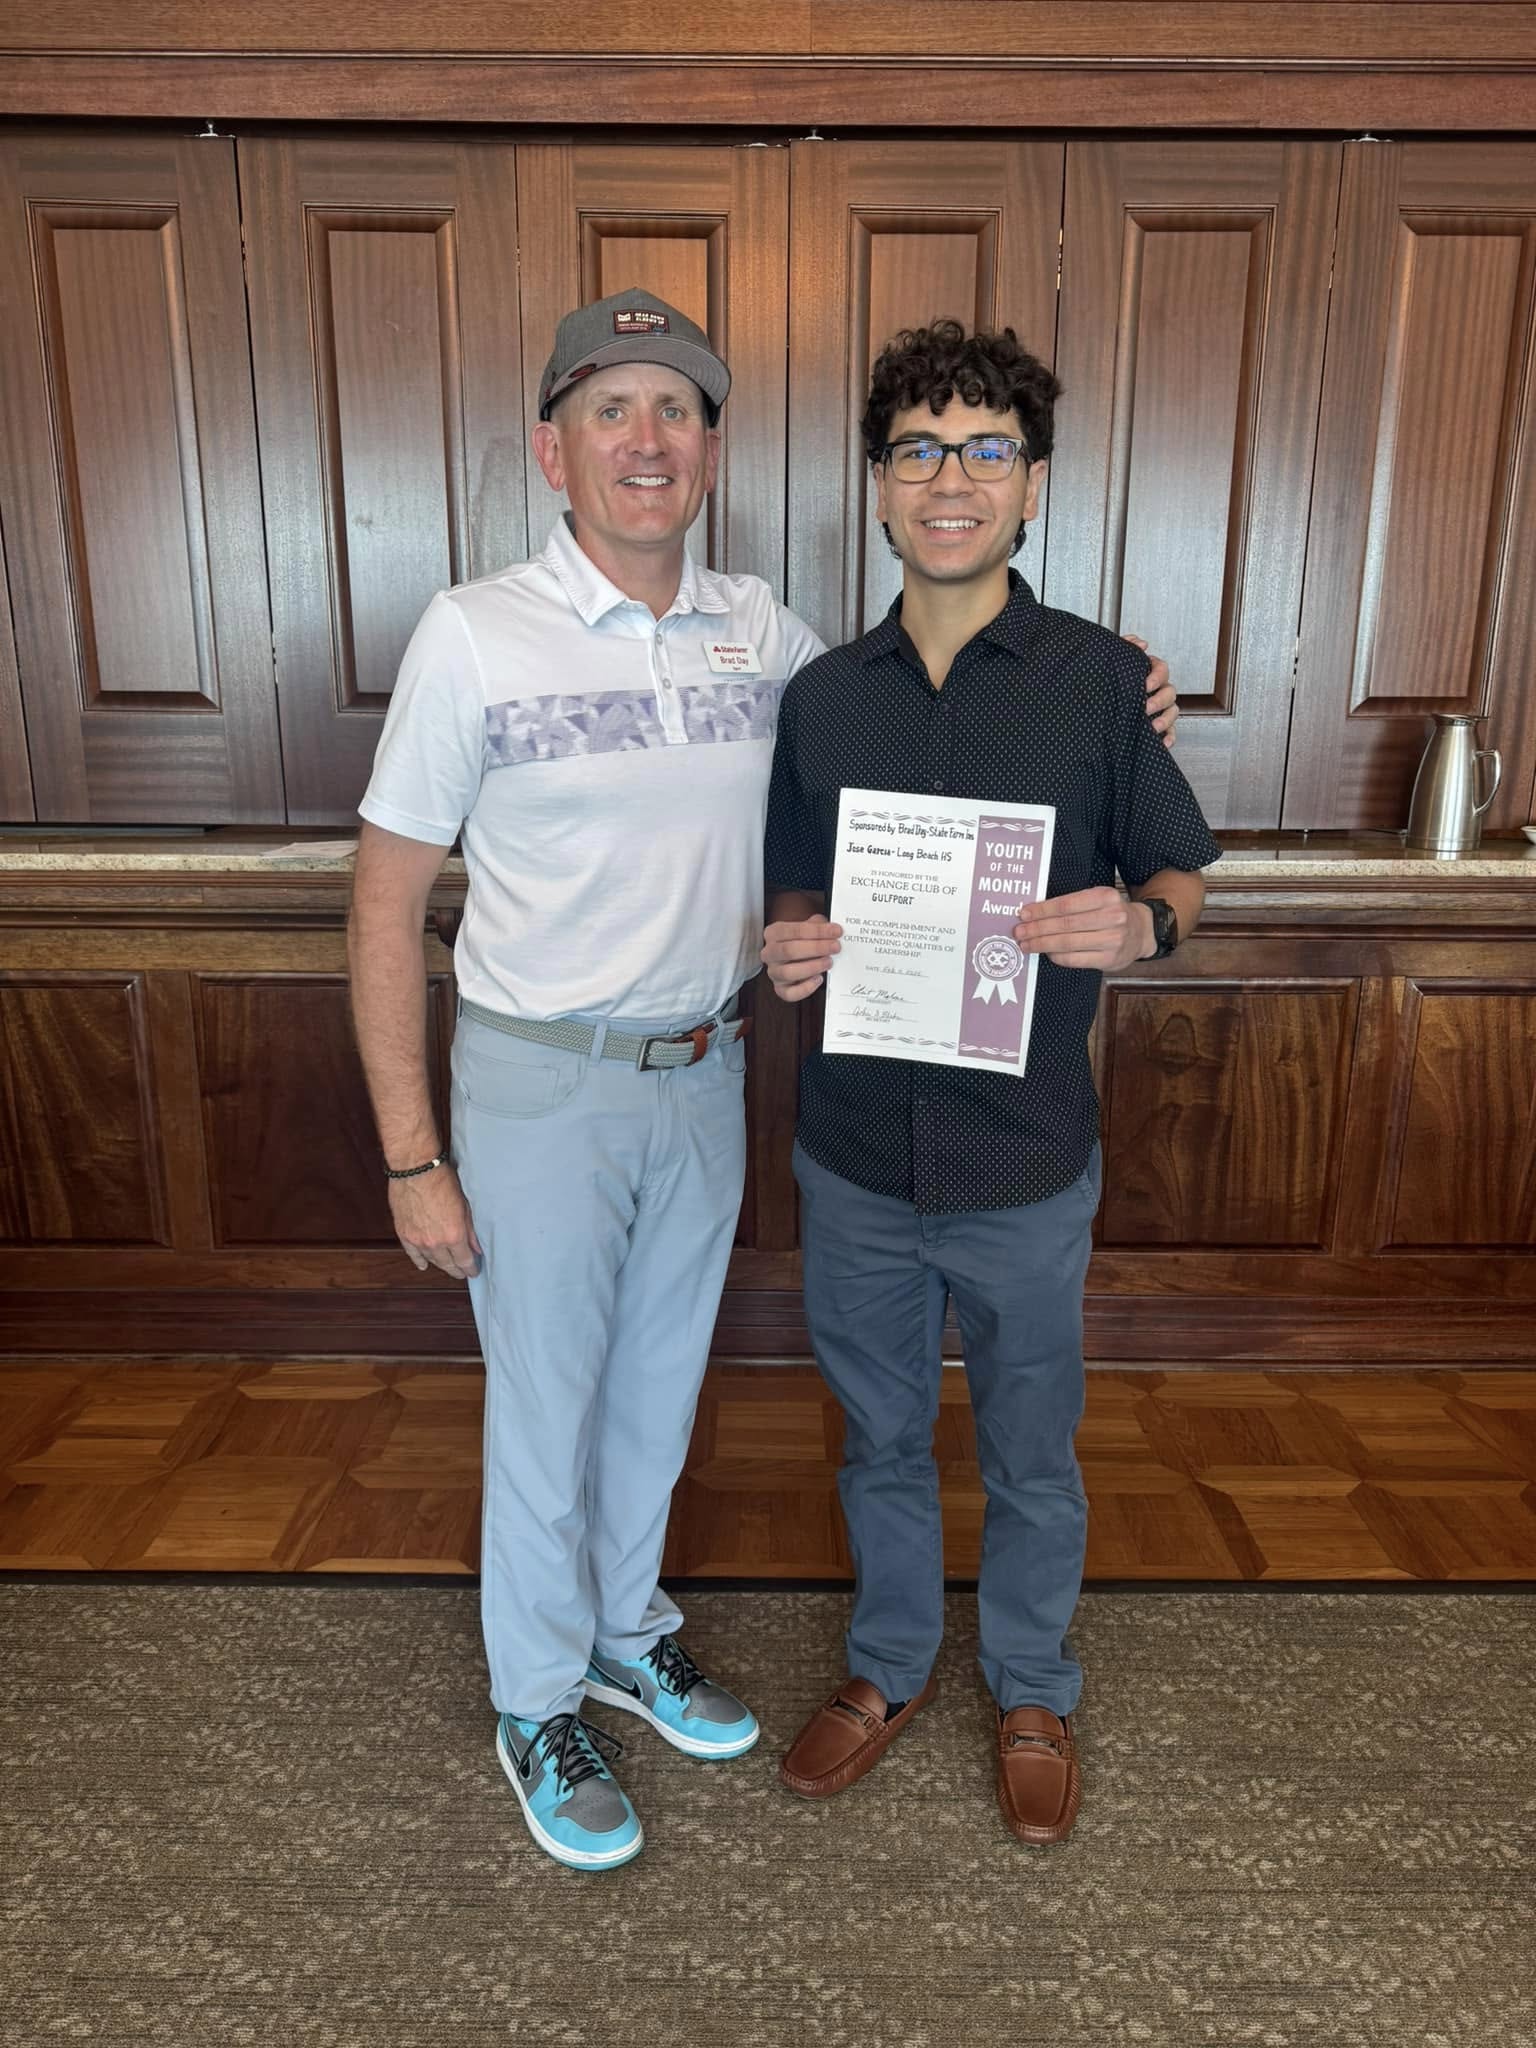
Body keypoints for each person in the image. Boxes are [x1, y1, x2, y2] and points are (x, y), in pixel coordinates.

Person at [348, 290, 1180, 1873]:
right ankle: (536, 1698)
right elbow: (386, 900)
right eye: (612, 411)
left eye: (678, 412)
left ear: (714, 450)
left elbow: (926, 703)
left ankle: (621, 1629)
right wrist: (410, 1153)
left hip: (710, 1069)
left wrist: (1116, 676)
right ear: (553, 449)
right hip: (539, 1081)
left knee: (658, 1396)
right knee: (547, 1410)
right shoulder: (472, 632)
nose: (648, 441)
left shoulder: (769, 639)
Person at [761, 318, 1222, 1847]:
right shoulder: (823, 698)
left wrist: (1144, 922)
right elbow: (787, 898)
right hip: (856, 1151)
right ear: (880, 486)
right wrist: (790, 952)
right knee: (878, 1432)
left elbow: (1183, 870)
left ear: (1030, 487)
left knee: (1032, 1440)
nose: (949, 477)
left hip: (1025, 1152)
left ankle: (1033, 1683)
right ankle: (889, 1665)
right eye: (917, 450)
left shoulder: (1101, 684)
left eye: (984, 450)